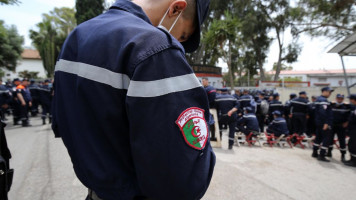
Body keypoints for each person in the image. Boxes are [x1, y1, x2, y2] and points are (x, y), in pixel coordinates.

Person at [52, 0, 215, 199]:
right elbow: (181, 181)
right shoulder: (154, 48)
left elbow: (62, 122)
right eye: (182, 36)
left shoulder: (77, 36)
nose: (177, 42)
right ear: (176, 8)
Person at [312, 87, 333, 162]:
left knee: (318, 138)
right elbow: (323, 113)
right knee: (326, 139)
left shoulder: (318, 99)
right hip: (323, 123)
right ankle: (322, 155)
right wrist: (326, 122)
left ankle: (314, 152)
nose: (330, 94)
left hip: (318, 122)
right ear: (324, 91)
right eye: (329, 92)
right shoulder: (323, 100)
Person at [327, 94, 350, 161]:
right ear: (336, 98)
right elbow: (327, 113)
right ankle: (329, 152)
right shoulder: (331, 104)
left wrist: (347, 122)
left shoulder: (347, 106)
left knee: (342, 140)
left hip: (341, 126)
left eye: (341, 98)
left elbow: (350, 115)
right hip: (332, 125)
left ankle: (343, 155)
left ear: (343, 99)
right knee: (330, 139)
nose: (339, 99)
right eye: (338, 98)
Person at [344, 94, 356, 167]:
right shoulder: (354, 107)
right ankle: (352, 159)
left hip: (355, 130)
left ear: (353, 100)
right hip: (353, 130)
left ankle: (354, 161)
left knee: (353, 145)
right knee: (351, 144)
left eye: (350, 99)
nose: (350, 101)